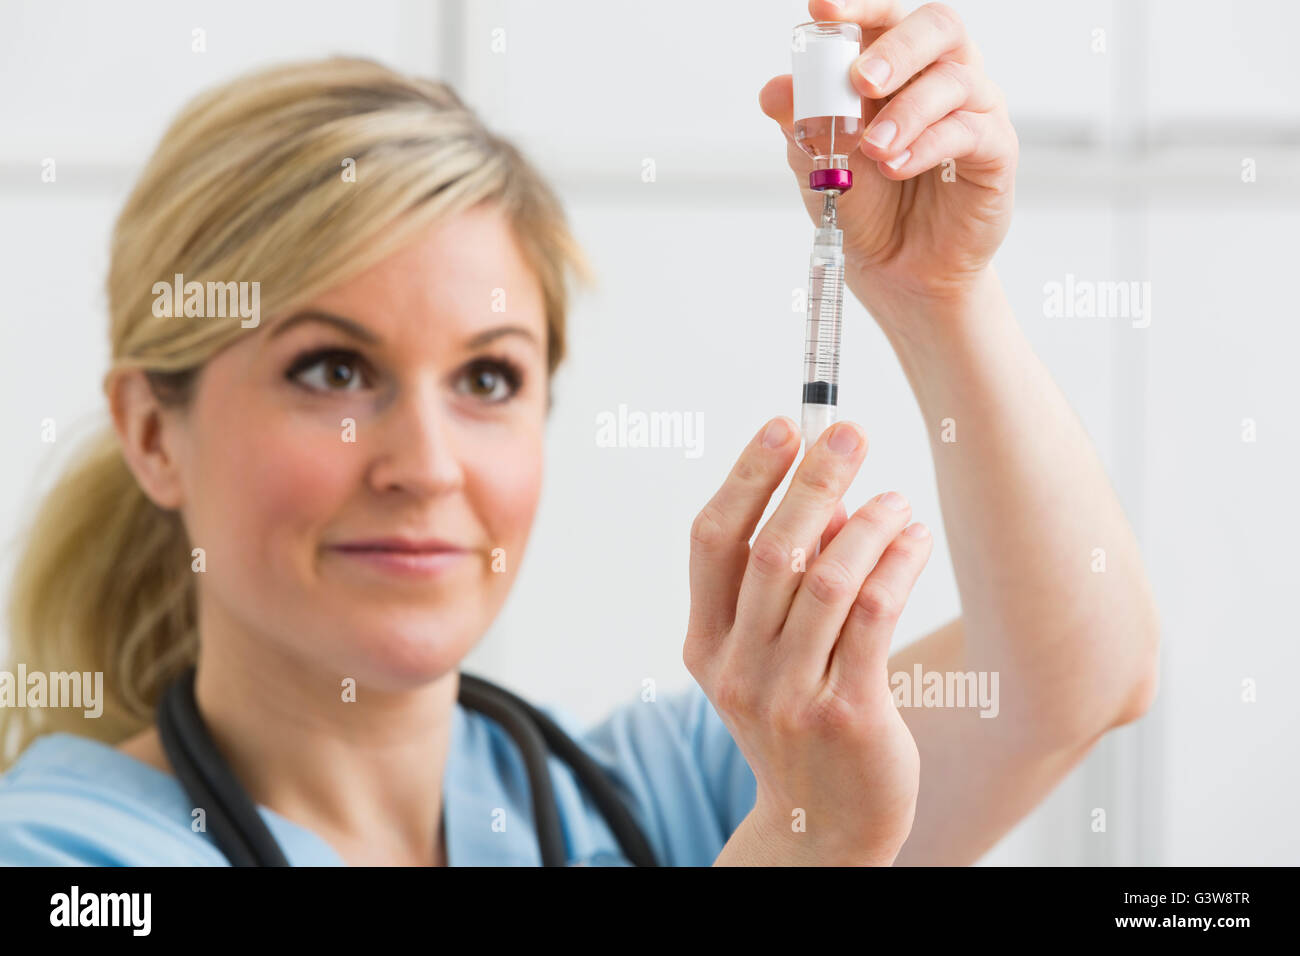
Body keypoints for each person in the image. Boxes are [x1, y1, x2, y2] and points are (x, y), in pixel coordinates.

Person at [0, 0, 1159, 867]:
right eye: (333, 368)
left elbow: (1069, 679)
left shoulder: (644, 794)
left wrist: (935, 293)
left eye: (488, 377)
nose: (428, 465)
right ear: (155, 432)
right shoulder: (70, 857)